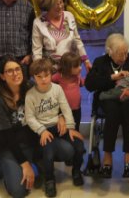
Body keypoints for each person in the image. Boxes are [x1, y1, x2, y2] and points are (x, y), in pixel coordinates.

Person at [85, 33, 129, 178]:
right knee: (112, 112)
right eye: (121, 54)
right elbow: (89, 84)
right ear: (110, 52)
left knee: (128, 111)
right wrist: (112, 78)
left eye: (126, 52)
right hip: (108, 97)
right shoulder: (100, 62)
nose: (125, 56)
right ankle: (107, 160)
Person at [25, 58, 85, 198]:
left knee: (79, 146)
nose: (43, 79)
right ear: (34, 77)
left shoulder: (57, 89)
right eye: (38, 77)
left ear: (51, 74)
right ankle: (49, 180)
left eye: (46, 75)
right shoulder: (30, 95)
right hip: (43, 130)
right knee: (49, 152)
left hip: (59, 127)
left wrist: (70, 127)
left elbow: (66, 108)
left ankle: (76, 171)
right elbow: (30, 118)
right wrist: (42, 130)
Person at [0, 55, 39, 197]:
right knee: (19, 192)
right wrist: (24, 163)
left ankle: (32, 163)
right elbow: (8, 137)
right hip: (10, 147)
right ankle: (6, 165)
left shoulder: (31, 87)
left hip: (32, 143)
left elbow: (52, 98)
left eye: (17, 69)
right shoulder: (0, 101)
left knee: (62, 152)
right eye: (9, 71)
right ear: (2, 76)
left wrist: (61, 116)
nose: (15, 74)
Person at [32, 0, 91, 71]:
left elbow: (77, 40)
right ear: (48, 6)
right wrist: (39, 70)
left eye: (61, 2)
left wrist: (86, 60)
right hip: (51, 70)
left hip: (71, 68)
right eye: (56, 4)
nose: (60, 6)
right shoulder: (38, 22)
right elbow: (36, 51)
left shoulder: (69, 16)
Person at [52, 52, 85, 131]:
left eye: (80, 65)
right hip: (62, 111)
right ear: (67, 67)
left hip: (76, 109)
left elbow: (83, 83)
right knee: (63, 129)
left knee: (75, 128)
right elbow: (49, 83)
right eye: (76, 66)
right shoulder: (59, 76)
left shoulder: (77, 76)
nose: (80, 68)